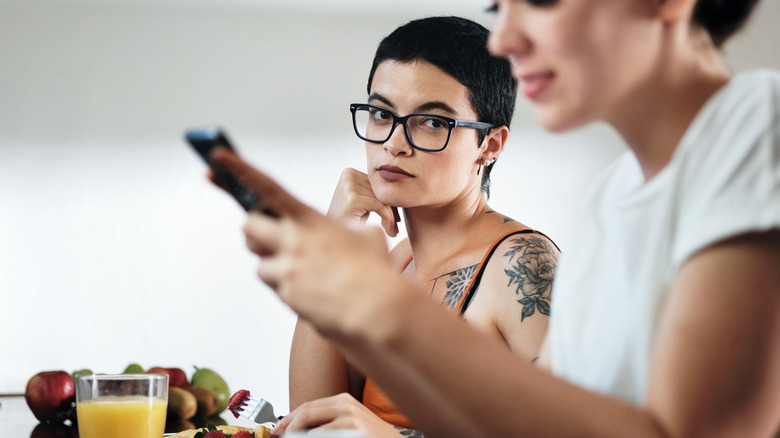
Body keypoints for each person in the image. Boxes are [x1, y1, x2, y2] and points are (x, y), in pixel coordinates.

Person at [209, 0, 780, 436]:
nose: (504, 38)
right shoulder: (612, 195)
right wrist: (335, 292)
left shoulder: (756, 127)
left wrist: (382, 311)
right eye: (499, 7)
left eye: (540, 2)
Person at [286, 16, 559, 437]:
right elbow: (312, 421)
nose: (393, 143)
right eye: (381, 114)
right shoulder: (396, 264)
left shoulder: (520, 265)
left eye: (432, 122)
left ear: (489, 145)